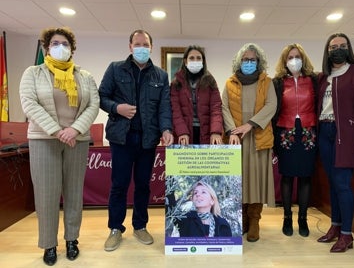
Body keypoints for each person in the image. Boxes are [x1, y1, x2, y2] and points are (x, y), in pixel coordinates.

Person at [19, 27, 100, 266]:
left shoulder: (84, 76)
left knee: (74, 193)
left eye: (65, 43)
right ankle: (49, 244)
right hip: (44, 140)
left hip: (77, 139)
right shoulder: (33, 73)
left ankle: (72, 240)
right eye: (55, 43)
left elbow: (93, 105)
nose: (60, 47)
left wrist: (74, 130)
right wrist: (57, 131)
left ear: (72, 49)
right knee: (46, 194)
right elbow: (29, 104)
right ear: (47, 47)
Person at [99, 29, 174, 252]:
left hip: (148, 139)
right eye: (137, 44)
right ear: (130, 46)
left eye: (146, 44)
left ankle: (140, 226)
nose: (142, 48)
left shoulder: (160, 75)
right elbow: (101, 97)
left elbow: (164, 107)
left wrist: (166, 129)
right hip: (121, 138)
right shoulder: (115, 68)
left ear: (151, 46)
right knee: (119, 184)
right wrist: (117, 108)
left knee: (143, 185)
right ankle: (115, 228)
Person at [316, 33, 354, 252]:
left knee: (342, 184)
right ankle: (335, 226)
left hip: (346, 135)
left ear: (348, 48)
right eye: (333, 47)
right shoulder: (324, 77)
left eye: (342, 45)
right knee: (331, 183)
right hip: (325, 131)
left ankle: (347, 234)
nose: (338, 49)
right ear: (327, 51)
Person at [222, 43, 277, 242]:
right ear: (239, 61)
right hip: (236, 139)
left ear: (259, 61)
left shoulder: (267, 82)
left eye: (252, 59)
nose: (248, 62)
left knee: (257, 181)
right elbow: (224, 108)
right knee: (239, 180)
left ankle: (254, 221)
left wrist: (250, 125)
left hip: (258, 137)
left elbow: (272, 106)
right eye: (245, 59)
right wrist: (232, 131)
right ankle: (242, 218)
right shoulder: (230, 83)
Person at [272, 44, 317, 237]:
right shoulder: (278, 82)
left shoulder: (313, 80)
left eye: (297, 56)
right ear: (284, 61)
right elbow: (273, 109)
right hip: (285, 131)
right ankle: (288, 218)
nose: (294, 60)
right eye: (290, 57)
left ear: (303, 58)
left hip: (308, 131)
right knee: (287, 176)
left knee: (306, 176)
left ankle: (303, 218)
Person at [170, 45, 223, 145]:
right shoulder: (176, 83)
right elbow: (175, 111)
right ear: (185, 61)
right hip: (183, 134)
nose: (195, 61)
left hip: (206, 132)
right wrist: (182, 131)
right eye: (191, 58)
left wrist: (215, 132)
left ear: (203, 61)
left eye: (199, 58)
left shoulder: (210, 81)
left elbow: (216, 108)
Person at [166, 180, 232, 237]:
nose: (198, 194)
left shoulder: (222, 224)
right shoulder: (186, 218)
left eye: (203, 192)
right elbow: (171, 209)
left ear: (212, 201)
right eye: (195, 193)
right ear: (192, 199)